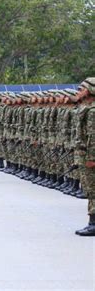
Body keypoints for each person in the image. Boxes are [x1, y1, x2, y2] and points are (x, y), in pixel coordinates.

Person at [74, 77, 95, 236]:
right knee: (90, 189)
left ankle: (93, 223)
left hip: (91, 156)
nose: (78, 92)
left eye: (82, 89)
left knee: (93, 190)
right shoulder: (87, 108)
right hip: (86, 154)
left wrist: (92, 158)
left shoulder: (93, 111)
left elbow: (93, 137)